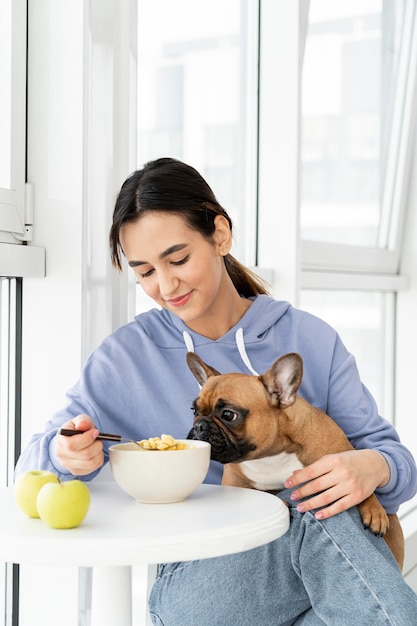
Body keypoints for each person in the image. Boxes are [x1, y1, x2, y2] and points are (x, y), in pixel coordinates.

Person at [16, 157, 417, 625]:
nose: (165, 286)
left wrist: (373, 466)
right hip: (201, 576)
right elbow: (29, 472)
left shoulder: (311, 339)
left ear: (221, 235)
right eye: (144, 272)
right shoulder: (125, 356)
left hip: (319, 575)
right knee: (318, 516)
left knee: (327, 552)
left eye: (178, 259)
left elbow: (397, 467)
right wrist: (69, 456)